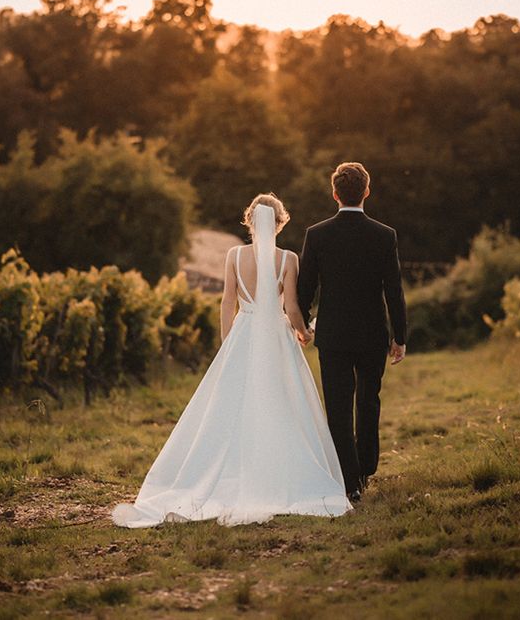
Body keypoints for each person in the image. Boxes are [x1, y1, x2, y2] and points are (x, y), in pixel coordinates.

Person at [111, 193, 351, 528]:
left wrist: (228, 342)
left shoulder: (234, 256)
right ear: (280, 223)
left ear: (249, 221)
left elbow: (227, 302)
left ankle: (229, 474)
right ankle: (277, 472)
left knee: (230, 408)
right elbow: (292, 307)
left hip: (243, 335)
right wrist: (302, 332)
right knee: (281, 403)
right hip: (275, 339)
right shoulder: (288, 259)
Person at [297, 162, 407, 503]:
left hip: (333, 336)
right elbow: (394, 290)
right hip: (373, 333)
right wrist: (399, 336)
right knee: (368, 401)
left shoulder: (316, 234)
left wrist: (305, 323)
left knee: (339, 407)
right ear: (367, 191)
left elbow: (304, 288)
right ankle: (366, 468)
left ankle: (350, 481)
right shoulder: (384, 235)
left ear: (334, 193)